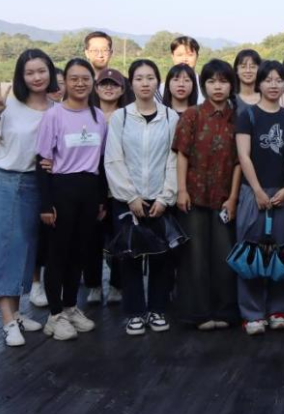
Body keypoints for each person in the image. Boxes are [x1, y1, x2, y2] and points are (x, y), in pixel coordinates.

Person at [0, 50, 56, 346]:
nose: (36, 77)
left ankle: (16, 314)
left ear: (50, 72)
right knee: (0, 250)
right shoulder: (9, 106)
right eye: (29, 72)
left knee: (24, 251)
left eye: (41, 71)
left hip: (35, 185)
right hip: (2, 182)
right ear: (21, 76)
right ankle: (8, 321)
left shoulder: (56, 109)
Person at [104, 59, 179, 336]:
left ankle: (157, 309)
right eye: (139, 78)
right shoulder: (121, 117)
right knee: (130, 257)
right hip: (127, 200)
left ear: (157, 82)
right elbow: (113, 158)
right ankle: (134, 312)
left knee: (161, 257)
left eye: (150, 78)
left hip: (160, 199)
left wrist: (165, 197)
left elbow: (174, 160)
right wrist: (130, 196)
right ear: (131, 83)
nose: (145, 83)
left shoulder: (171, 117)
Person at [36, 58, 108, 341]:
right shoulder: (54, 116)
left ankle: (70, 306)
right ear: (64, 82)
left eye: (85, 78)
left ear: (93, 82)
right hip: (62, 189)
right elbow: (42, 161)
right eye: (74, 78)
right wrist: (45, 204)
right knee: (58, 254)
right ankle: (54, 315)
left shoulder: (98, 116)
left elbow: (100, 161)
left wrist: (101, 199)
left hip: (89, 190)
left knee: (80, 253)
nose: (80, 83)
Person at [173, 59, 242, 331]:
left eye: (223, 81)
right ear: (203, 85)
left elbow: (239, 161)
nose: (218, 87)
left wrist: (233, 198)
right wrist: (181, 190)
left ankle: (224, 311)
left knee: (224, 255)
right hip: (194, 195)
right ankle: (198, 313)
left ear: (231, 85)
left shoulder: (238, 118)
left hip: (224, 196)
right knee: (195, 257)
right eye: (212, 81)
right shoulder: (192, 114)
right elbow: (182, 154)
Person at [235, 60, 284, 335]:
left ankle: (278, 309)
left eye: (279, 80)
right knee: (250, 251)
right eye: (268, 80)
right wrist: (258, 190)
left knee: (282, 251)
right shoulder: (247, 116)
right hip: (253, 192)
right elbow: (243, 155)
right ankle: (252, 314)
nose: (274, 85)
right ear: (259, 83)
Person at [86, 68, 129, 305]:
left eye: (114, 84)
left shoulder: (128, 116)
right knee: (91, 239)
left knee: (120, 238)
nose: (109, 88)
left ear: (122, 89)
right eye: (104, 84)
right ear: (96, 88)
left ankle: (117, 285)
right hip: (92, 185)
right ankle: (93, 284)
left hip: (119, 187)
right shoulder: (88, 115)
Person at [30, 66, 67, 306]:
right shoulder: (39, 110)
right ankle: (35, 285)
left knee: (57, 238)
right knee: (38, 236)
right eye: (55, 83)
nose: (58, 88)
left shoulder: (70, 112)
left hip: (62, 183)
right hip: (37, 179)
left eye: (62, 83)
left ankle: (57, 285)